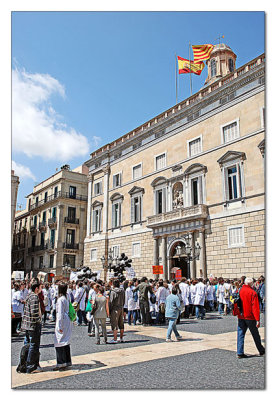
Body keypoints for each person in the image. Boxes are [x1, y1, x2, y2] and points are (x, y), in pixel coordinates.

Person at [233, 277, 265, 358]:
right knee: (255, 334)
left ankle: (240, 352)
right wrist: (257, 319)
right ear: (250, 283)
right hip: (250, 317)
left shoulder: (239, 290)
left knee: (240, 334)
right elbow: (255, 307)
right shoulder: (252, 292)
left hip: (241, 315)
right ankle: (261, 350)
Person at [20, 280, 42, 374]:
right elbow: (34, 312)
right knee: (34, 345)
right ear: (36, 288)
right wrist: (39, 320)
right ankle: (31, 366)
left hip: (28, 324)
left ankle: (26, 364)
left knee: (29, 345)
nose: (41, 289)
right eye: (40, 287)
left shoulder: (29, 295)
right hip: (33, 325)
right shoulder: (34, 297)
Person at [53, 282, 73, 371]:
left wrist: (60, 325)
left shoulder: (60, 299)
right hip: (67, 319)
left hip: (63, 320)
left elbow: (60, 313)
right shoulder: (67, 297)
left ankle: (61, 362)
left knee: (59, 341)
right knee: (65, 340)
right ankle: (67, 361)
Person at [109, 279, 125, 343]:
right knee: (121, 323)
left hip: (115, 309)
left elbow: (111, 302)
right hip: (121, 307)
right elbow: (124, 300)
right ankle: (121, 338)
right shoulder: (122, 291)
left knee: (114, 323)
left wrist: (109, 310)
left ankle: (115, 338)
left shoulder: (113, 292)